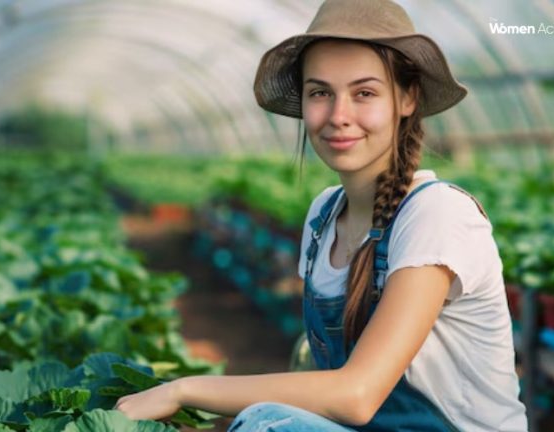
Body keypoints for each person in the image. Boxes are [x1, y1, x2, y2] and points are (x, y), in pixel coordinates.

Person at [114, 0, 528, 430]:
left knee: (266, 424)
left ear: (407, 98)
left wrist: (181, 389)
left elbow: (356, 395)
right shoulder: (324, 215)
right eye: (320, 93)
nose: (338, 116)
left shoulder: (435, 213)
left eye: (364, 93)